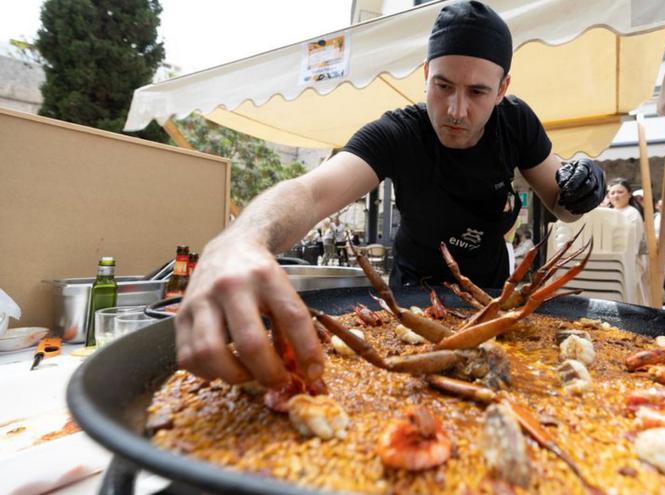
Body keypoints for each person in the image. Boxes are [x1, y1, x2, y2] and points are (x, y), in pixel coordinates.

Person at [174, 1, 606, 389]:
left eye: (477, 92)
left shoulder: (516, 124)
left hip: (492, 300)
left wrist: (584, 184)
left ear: (503, 88)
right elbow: (311, 192)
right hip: (411, 300)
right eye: (442, 86)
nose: (457, 110)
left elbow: (561, 201)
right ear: (424, 75)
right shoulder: (398, 132)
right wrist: (241, 240)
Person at [606, 178, 648, 304]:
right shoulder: (609, 212)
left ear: (629, 194)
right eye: (612, 193)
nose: (616, 196)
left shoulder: (632, 213)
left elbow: (633, 243)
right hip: (611, 260)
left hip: (629, 261)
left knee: (629, 297)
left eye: (620, 192)